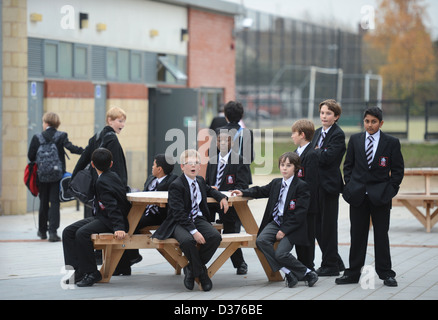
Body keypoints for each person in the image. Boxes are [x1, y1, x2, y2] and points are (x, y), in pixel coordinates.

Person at [336, 107, 404, 287]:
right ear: (363, 122)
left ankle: (386, 273)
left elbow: (397, 171)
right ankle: (352, 273)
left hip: (380, 196)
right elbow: (348, 166)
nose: (370, 125)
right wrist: (350, 185)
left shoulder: (391, 142)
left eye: (374, 122)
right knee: (357, 235)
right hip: (358, 196)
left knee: (381, 235)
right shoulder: (356, 140)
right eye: (367, 121)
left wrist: (390, 190)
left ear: (381, 123)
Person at [232, 152, 318, 288]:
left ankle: (308, 273)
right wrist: (243, 192)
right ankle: (288, 273)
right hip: (276, 222)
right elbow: (260, 191)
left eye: (288, 165)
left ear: (296, 168)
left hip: (292, 226)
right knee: (261, 240)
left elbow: (300, 214)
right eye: (282, 165)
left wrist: (284, 231)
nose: (284, 168)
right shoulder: (276, 183)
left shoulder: (301, 186)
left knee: (281, 254)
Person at [152, 149, 229, 291]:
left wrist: (222, 197)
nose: (193, 166)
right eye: (189, 163)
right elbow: (178, 213)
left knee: (215, 237)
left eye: (196, 163)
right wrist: (194, 232)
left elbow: (210, 190)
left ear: (200, 166)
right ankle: (202, 274)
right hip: (179, 221)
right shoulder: (176, 185)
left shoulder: (199, 180)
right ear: (182, 166)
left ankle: (190, 269)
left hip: (198, 218)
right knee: (188, 241)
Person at [62, 148, 131, 287]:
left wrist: (119, 227)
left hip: (111, 221)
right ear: (111, 164)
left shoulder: (103, 181)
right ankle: (79, 271)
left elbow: (113, 206)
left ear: (92, 164)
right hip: (103, 217)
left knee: (82, 234)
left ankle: (92, 272)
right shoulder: (111, 176)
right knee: (68, 232)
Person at [114, 154, 177, 275]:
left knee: (130, 226)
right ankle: (128, 261)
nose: (152, 167)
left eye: (154, 165)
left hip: (160, 216)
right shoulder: (150, 179)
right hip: (147, 213)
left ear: (160, 169)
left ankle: (128, 262)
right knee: (127, 224)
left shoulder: (173, 181)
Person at [28, 112, 83, 242]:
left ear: (46, 123)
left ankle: (42, 231)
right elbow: (71, 148)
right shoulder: (61, 136)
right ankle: (53, 232)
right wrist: (85, 150)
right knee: (54, 202)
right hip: (56, 175)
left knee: (43, 202)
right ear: (56, 123)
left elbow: (30, 156)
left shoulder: (37, 137)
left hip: (41, 176)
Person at [206, 131, 252, 275]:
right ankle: (197, 260)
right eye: (220, 140)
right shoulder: (212, 160)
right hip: (211, 203)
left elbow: (243, 186)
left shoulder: (240, 161)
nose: (223, 143)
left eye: (226, 141)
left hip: (230, 204)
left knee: (231, 230)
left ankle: (240, 263)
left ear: (232, 143)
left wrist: (227, 194)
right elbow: (207, 184)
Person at [72, 106, 128, 218]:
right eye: (120, 121)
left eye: (124, 122)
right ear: (109, 120)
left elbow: (83, 159)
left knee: (90, 217)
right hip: (106, 187)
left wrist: (74, 177)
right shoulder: (112, 139)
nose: (123, 125)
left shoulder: (96, 137)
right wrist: (122, 187)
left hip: (93, 184)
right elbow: (117, 166)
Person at [310, 99, 346, 276]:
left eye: (328, 113)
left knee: (328, 227)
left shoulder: (338, 135)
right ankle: (336, 260)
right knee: (317, 226)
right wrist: (318, 151)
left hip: (329, 187)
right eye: (322, 113)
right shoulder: (317, 133)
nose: (324, 116)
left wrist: (317, 152)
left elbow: (328, 158)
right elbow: (311, 155)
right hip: (315, 186)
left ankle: (330, 266)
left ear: (336, 116)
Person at [291, 119, 319, 271]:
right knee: (299, 237)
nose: (292, 136)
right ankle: (302, 267)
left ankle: (309, 268)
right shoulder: (296, 153)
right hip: (297, 204)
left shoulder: (312, 154)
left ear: (302, 135)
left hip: (308, 206)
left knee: (308, 238)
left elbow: (311, 183)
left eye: (293, 133)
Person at [210, 100, 254, 166]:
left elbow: (212, 154)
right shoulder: (247, 133)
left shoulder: (218, 131)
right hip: (240, 170)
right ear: (242, 116)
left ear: (226, 116)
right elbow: (249, 157)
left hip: (223, 169)